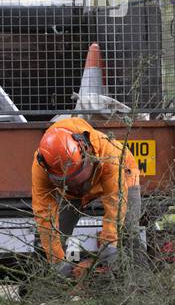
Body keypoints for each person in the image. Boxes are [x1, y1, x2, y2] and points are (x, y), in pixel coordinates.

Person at [31, 116, 142, 277]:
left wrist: (109, 244)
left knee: (128, 232)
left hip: (123, 175)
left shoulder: (109, 154)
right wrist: (57, 260)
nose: (75, 182)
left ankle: (138, 286)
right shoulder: (41, 166)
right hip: (70, 193)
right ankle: (40, 288)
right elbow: (44, 214)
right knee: (51, 237)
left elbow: (115, 201)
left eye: (76, 177)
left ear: (85, 150)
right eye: (68, 180)